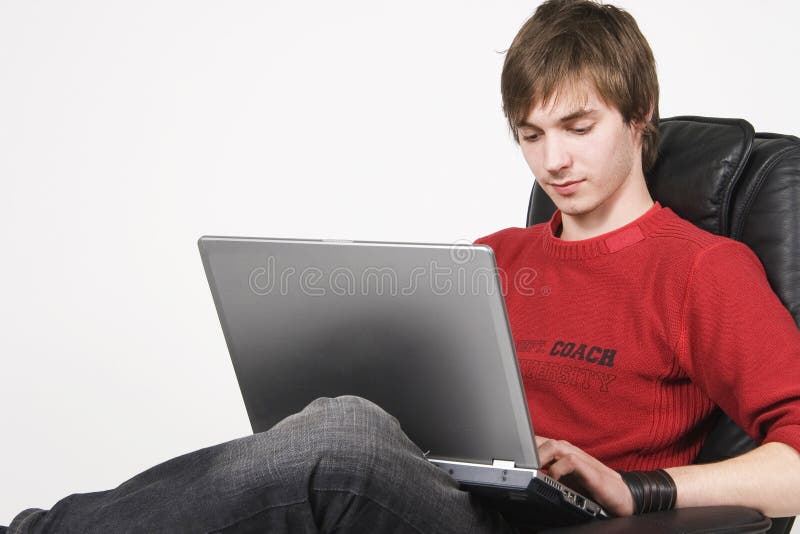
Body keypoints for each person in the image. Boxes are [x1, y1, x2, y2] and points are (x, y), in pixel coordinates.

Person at [3, 1, 799, 532]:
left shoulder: (702, 269)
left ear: (639, 113)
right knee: (335, 421)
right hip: (450, 497)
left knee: (341, 437)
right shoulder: (490, 258)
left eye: (578, 125)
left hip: (562, 522)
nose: (551, 160)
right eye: (529, 134)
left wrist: (644, 487)